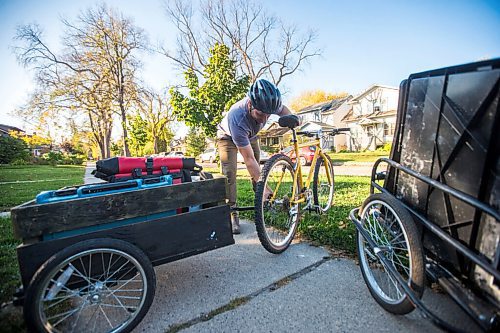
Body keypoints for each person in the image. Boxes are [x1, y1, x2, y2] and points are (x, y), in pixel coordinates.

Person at [217, 78, 295, 234]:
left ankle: (262, 202)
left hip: (251, 136)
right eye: (260, 114)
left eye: (268, 115)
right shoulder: (237, 117)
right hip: (227, 137)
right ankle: (233, 213)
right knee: (229, 175)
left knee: (259, 172)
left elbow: (285, 111)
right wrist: (265, 186)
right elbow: (249, 160)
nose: (264, 119)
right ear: (250, 104)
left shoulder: (268, 103)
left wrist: (294, 118)